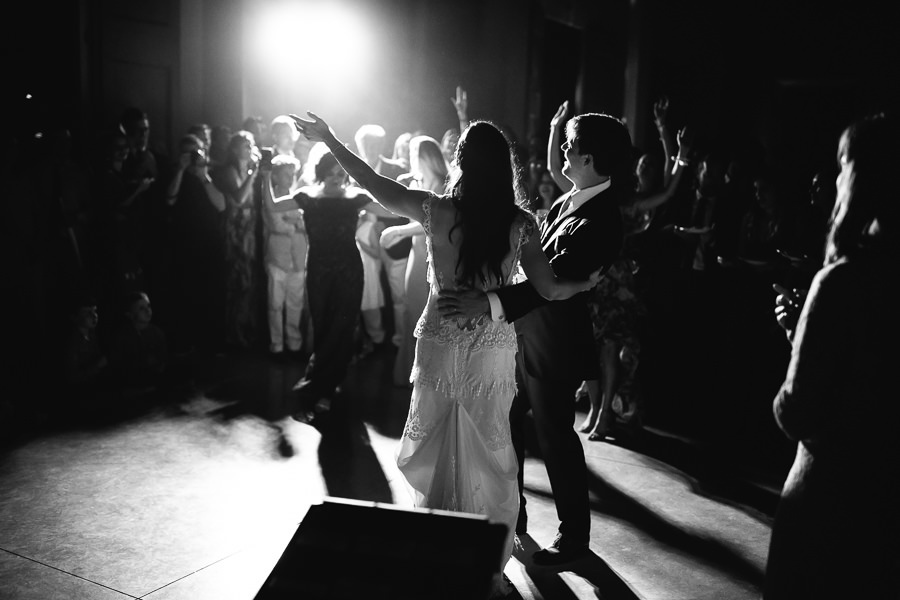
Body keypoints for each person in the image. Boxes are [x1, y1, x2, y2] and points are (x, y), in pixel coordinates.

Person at [292, 111, 600, 598]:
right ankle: (482, 555)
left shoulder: (434, 210)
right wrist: (583, 283)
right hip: (489, 348)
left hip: (439, 340)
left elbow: (373, 183)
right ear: (506, 169)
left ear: (460, 163)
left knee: (438, 443)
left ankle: (439, 547)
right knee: (491, 448)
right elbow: (549, 289)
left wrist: (329, 138)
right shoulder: (521, 224)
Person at [437, 102, 629, 566]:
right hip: (524, 337)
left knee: (557, 437)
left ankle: (574, 539)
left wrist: (490, 303)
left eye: (571, 144)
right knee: (506, 424)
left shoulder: (603, 218)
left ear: (590, 158)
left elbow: (549, 288)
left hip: (555, 345)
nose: (563, 149)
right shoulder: (570, 199)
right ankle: (512, 515)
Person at [763, 112, 900, 599]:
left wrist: (804, 338)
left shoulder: (844, 279)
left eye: (842, 166)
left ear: (861, 178)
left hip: (829, 502)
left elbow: (795, 412)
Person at [262, 147, 393, 417]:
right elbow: (273, 205)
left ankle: (324, 388)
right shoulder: (306, 196)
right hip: (319, 270)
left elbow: (390, 209)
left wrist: (418, 197)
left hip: (349, 270)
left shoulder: (357, 196)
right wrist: (264, 177)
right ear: (321, 172)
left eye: (340, 172)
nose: (336, 176)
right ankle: (325, 384)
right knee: (323, 327)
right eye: (331, 172)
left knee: (343, 328)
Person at [262, 154, 307, 357]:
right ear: (276, 176)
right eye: (285, 174)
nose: (289, 178)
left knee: (295, 303)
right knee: (275, 304)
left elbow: (304, 226)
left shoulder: (298, 198)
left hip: (298, 257)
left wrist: (294, 222)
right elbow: (277, 225)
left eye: (292, 174)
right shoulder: (269, 197)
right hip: (278, 258)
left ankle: (294, 344)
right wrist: (294, 222)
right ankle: (277, 345)